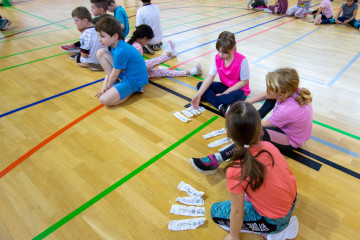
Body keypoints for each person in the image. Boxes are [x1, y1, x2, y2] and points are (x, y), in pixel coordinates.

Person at [190, 68, 313, 174]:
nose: (267, 91)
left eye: (270, 89)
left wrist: (242, 123)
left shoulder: (286, 110)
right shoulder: (291, 90)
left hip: (291, 140)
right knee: (270, 100)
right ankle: (251, 120)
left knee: (256, 132)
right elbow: (267, 95)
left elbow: (262, 125)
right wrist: (246, 102)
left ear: (281, 94)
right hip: (295, 130)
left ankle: (217, 159)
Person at [210, 101, 299, 240]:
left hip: (275, 222)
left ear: (228, 134)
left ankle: (270, 232)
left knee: (216, 211)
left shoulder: (235, 170)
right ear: (259, 129)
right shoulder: (269, 146)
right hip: (291, 203)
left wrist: (233, 235)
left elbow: (237, 212)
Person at [191, 31, 250, 116]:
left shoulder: (242, 60)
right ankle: (221, 106)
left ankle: (214, 99)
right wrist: (198, 94)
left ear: (233, 48)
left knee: (228, 97)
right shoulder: (217, 58)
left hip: (239, 90)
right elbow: (210, 77)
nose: (220, 55)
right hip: (224, 86)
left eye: (224, 52)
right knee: (200, 85)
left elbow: (244, 82)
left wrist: (225, 93)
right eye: (219, 51)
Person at [95, 16, 148, 107]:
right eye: (99, 36)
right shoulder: (114, 45)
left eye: (102, 36)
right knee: (101, 53)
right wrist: (105, 85)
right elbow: (110, 71)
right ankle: (119, 88)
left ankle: (133, 90)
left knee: (104, 100)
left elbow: (114, 74)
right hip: (126, 74)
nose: (100, 39)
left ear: (115, 36)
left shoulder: (120, 51)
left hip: (134, 80)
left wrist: (107, 88)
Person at [127, 24, 202, 78]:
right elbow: (139, 69)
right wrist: (148, 68)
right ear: (144, 38)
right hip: (135, 74)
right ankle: (191, 71)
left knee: (152, 61)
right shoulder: (139, 48)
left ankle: (170, 54)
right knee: (163, 71)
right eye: (148, 41)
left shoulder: (128, 41)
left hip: (129, 70)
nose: (147, 43)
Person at [70, 6, 105, 70]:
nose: (75, 23)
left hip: (93, 61)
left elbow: (84, 55)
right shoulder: (99, 28)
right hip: (104, 58)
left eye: (76, 21)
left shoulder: (85, 34)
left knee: (78, 58)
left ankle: (90, 65)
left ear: (85, 20)